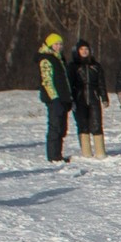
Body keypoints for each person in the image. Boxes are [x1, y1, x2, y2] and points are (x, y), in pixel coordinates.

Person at [70, 40, 108, 158]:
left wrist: (104, 97)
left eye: (86, 49)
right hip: (79, 97)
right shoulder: (73, 66)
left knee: (96, 122)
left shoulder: (96, 66)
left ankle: (100, 151)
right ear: (77, 51)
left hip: (94, 96)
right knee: (82, 124)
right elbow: (70, 84)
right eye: (81, 49)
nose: (84, 51)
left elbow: (101, 83)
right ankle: (86, 152)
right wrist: (71, 99)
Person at [37, 32, 72, 162]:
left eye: (60, 44)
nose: (58, 46)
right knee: (55, 126)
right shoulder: (46, 59)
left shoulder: (60, 58)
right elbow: (47, 81)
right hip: (54, 99)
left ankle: (58, 153)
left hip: (63, 98)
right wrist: (54, 98)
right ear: (50, 45)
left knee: (62, 128)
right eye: (56, 44)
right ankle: (53, 156)